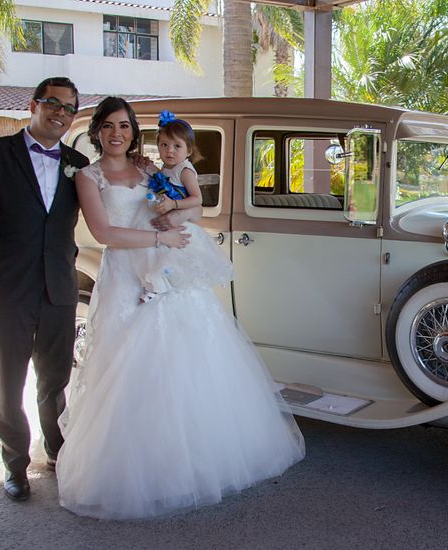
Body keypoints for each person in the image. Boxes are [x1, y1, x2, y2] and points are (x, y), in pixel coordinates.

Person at [56, 97, 304, 520]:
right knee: (124, 365)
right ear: (97, 131)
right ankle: (134, 466)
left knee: (185, 359)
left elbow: (196, 205)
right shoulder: (87, 176)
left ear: (135, 132)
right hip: (126, 273)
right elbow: (104, 231)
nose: (118, 133)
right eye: (110, 126)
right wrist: (160, 239)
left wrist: (175, 216)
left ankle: (192, 461)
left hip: (166, 270)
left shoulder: (151, 168)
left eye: (125, 126)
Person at [0, 77, 90, 501]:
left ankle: (57, 451)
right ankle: (15, 464)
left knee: (55, 379)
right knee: (9, 381)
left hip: (59, 289)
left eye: (69, 107)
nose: (60, 112)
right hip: (6, 289)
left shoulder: (77, 163)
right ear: (33, 105)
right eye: (52, 103)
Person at [134, 110, 231, 304]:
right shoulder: (166, 168)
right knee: (159, 253)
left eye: (176, 146)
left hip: (182, 221)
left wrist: (174, 203)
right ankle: (156, 284)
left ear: (188, 150)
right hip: (167, 220)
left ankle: (157, 286)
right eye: (164, 145)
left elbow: (197, 198)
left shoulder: (185, 170)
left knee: (171, 257)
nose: (169, 150)